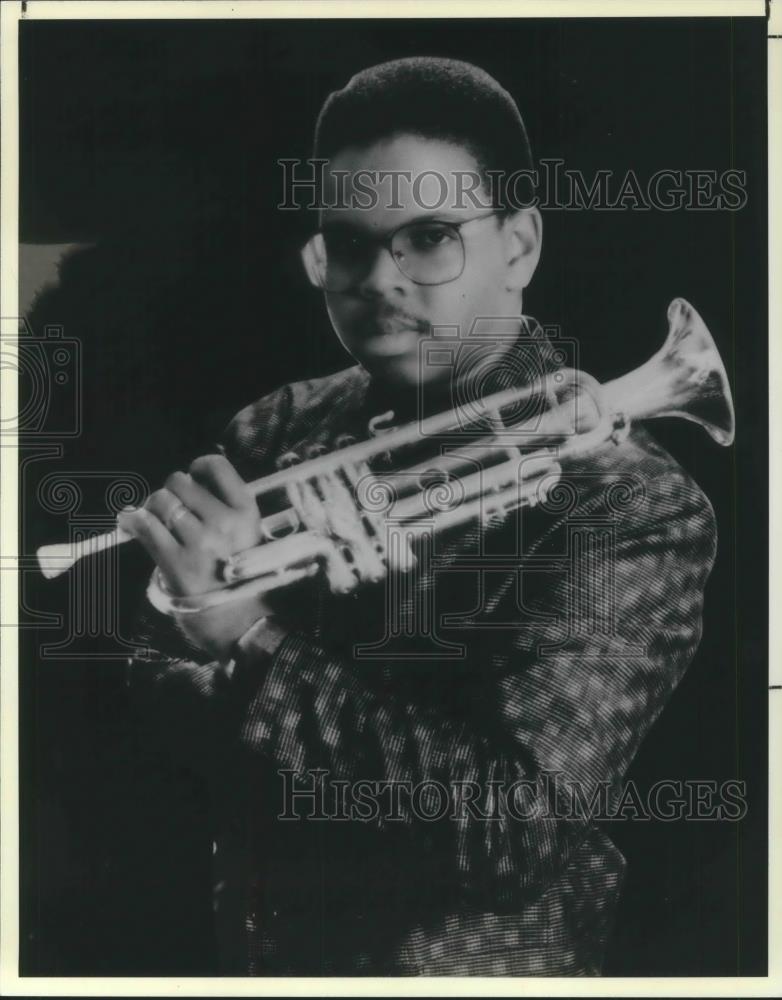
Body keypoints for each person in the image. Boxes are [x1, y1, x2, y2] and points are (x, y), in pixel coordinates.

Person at [119, 57, 718, 976]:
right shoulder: (277, 425)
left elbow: (510, 835)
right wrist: (213, 634)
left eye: (429, 237)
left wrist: (249, 637)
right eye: (346, 245)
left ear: (519, 246)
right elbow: (135, 703)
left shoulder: (631, 503)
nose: (377, 280)